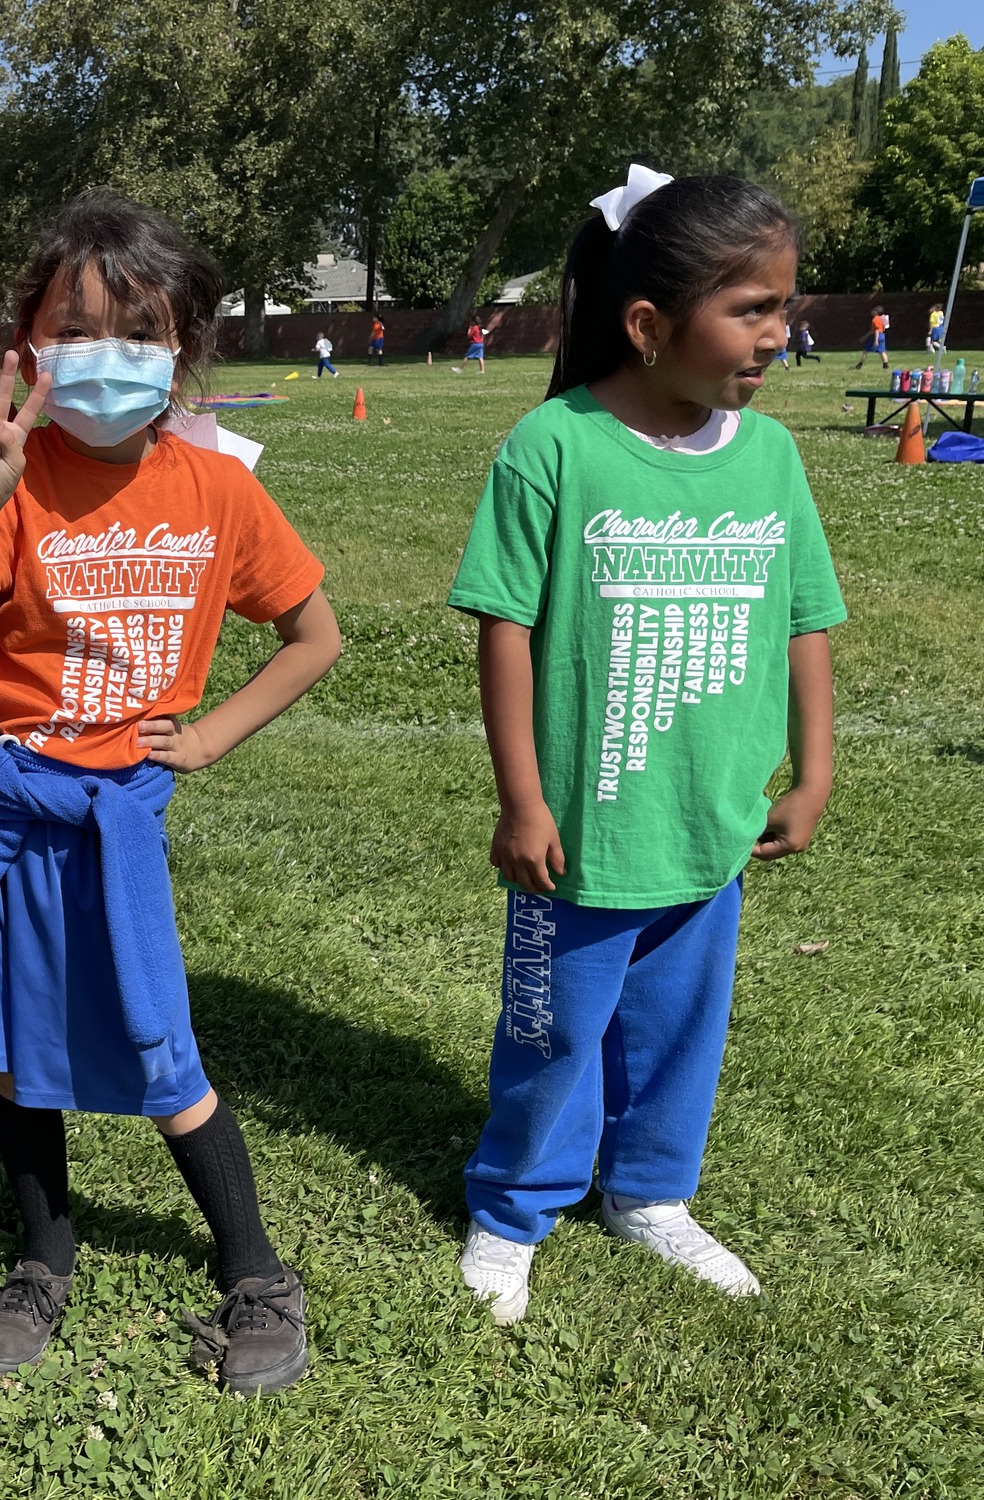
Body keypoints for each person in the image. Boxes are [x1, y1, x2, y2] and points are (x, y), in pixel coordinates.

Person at [0, 191, 342, 1395]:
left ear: (183, 349)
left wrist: (204, 741)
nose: (105, 361)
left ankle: (254, 1268)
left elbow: (313, 635)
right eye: (76, 331)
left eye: (137, 333)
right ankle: (44, 1256)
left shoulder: (215, 492)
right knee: (9, 1047)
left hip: (114, 820)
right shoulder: (12, 481)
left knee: (161, 1047)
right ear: (28, 348)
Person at [446, 166, 844, 1325]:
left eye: (784, 304)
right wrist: (522, 801)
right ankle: (512, 1205)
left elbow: (803, 620)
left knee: (680, 1024)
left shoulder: (767, 459)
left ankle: (649, 1193)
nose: (780, 332)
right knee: (553, 1030)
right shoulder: (551, 446)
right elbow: (505, 630)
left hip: (707, 823)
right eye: (752, 309)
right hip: (579, 833)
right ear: (646, 324)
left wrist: (810, 771)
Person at [853, 305, 888, 370]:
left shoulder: (875, 319)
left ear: (876, 312)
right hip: (882, 335)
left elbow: (876, 330)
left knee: (865, 350)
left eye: (873, 311)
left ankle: (860, 364)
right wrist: (864, 337)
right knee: (882, 351)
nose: (872, 312)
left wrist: (876, 340)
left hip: (878, 336)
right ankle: (885, 365)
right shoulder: (881, 319)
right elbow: (872, 331)